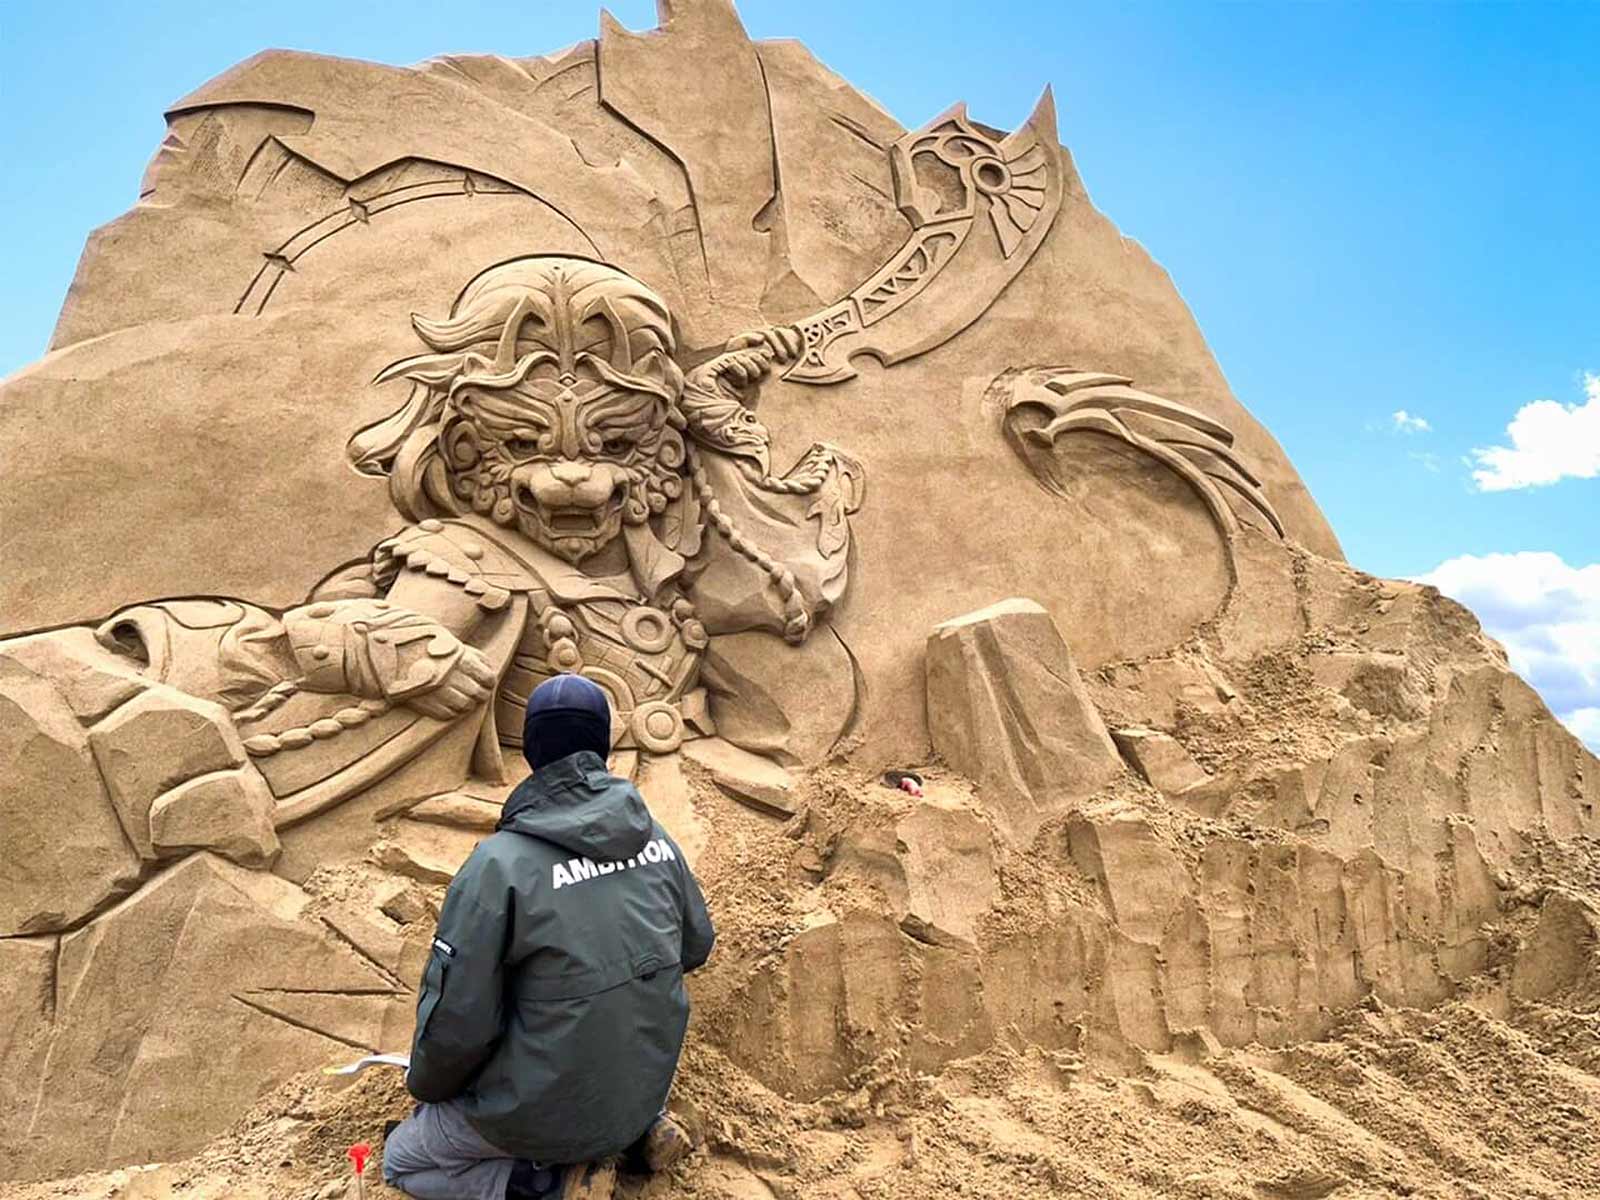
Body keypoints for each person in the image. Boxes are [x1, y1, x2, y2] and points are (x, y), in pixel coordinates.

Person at [382, 673, 715, 1200]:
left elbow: (458, 1025)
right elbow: (697, 947)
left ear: (532, 750)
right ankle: (638, 1134)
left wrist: (427, 1090)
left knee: (401, 1159)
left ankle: (553, 1183)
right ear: (603, 745)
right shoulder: (655, 838)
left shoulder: (498, 866)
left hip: (540, 1111)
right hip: (641, 1085)